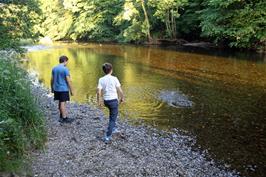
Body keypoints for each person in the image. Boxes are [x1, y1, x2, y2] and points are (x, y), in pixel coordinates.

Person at [97, 63, 125, 143]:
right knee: (113, 118)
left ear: (104, 71)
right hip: (113, 101)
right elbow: (120, 90)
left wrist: (99, 101)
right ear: (111, 70)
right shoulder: (114, 78)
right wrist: (122, 97)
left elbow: (99, 92)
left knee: (112, 114)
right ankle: (107, 137)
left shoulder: (101, 79)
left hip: (106, 101)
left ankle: (112, 127)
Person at [51, 55, 74, 123]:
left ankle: (61, 115)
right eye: (67, 62)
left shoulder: (54, 68)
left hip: (56, 89)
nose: (67, 63)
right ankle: (64, 118)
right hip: (63, 89)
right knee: (63, 103)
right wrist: (71, 90)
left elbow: (52, 79)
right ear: (64, 61)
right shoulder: (65, 69)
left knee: (60, 102)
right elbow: (68, 80)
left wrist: (52, 88)